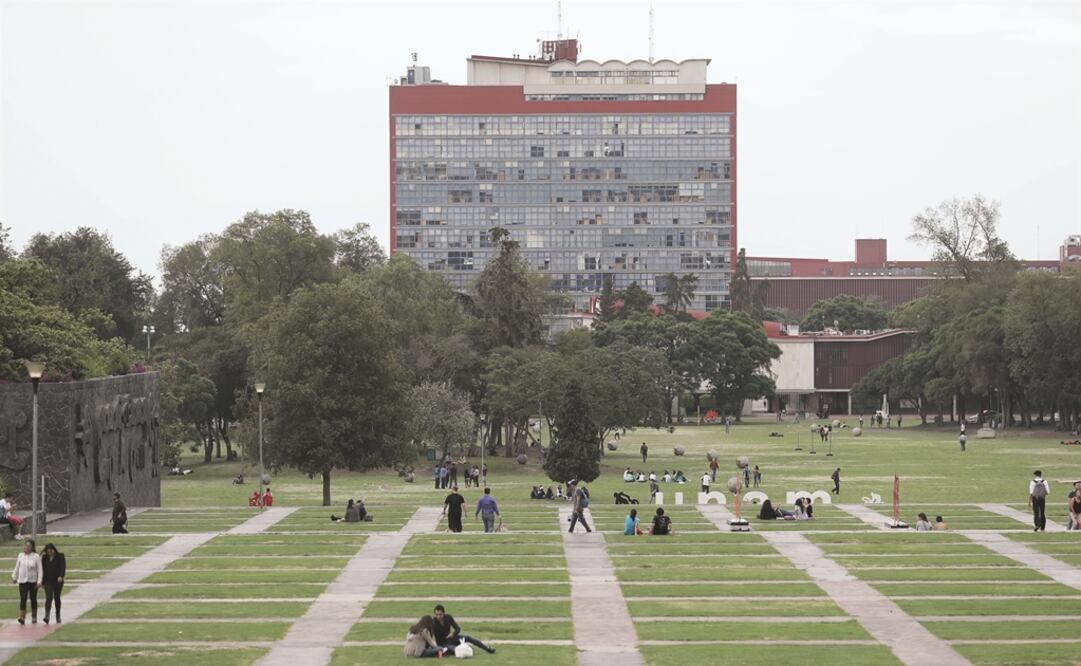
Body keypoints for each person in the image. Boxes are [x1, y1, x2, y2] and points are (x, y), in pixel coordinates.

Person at [11, 538, 42, 624]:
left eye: (29, 546)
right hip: (22, 581)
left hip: (33, 581)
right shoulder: (21, 555)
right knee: (23, 598)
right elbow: (17, 567)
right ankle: (22, 617)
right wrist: (14, 577)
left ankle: (34, 617)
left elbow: (40, 570)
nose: (27, 547)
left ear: (32, 547)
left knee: (33, 599)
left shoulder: (36, 556)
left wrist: (39, 581)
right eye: (26, 546)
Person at [40, 543, 65, 624]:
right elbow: (42, 569)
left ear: (54, 550)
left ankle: (58, 615)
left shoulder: (60, 556)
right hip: (48, 581)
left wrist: (61, 576)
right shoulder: (44, 558)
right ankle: (47, 615)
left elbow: (63, 567)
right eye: (48, 551)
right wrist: (42, 582)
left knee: (57, 597)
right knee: (49, 597)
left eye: (51, 551)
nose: (49, 553)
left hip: (57, 581)